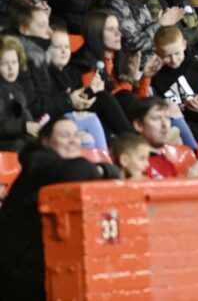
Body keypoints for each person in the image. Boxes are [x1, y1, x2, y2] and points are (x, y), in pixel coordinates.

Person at [0, 117, 117, 300]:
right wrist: (102, 170)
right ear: (46, 141)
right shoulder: (38, 161)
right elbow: (76, 171)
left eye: (76, 135)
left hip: (34, 262)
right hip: (16, 266)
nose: (73, 141)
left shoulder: (53, 164)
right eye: (65, 135)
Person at [151, 26, 198, 144]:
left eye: (177, 53)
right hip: (179, 130)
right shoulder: (154, 76)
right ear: (157, 52)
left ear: (184, 45)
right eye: (167, 55)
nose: (174, 60)